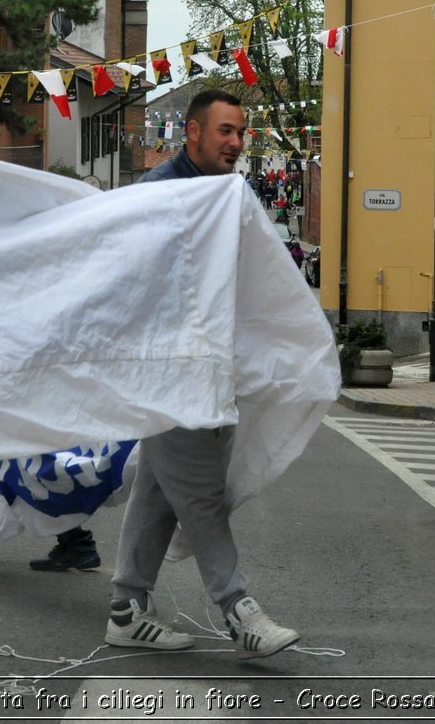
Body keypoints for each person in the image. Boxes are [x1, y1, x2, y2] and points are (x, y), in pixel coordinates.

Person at [104, 87, 299, 658]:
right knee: (200, 494)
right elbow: (131, 276)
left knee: (159, 493)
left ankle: (126, 609)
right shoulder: (159, 194)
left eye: (241, 132)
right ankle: (240, 610)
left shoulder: (227, 193)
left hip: (205, 365)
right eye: (225, 131)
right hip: (166, 371)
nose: (237, 142)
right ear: (192, 132)